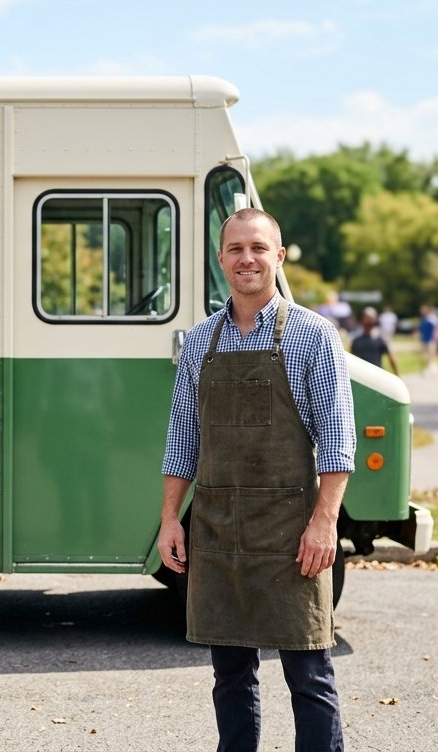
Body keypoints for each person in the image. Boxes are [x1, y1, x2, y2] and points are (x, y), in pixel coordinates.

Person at [158, 208, 354, 752]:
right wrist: (171, 519)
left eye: (259, 248)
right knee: (230, 677)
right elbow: (182, 441)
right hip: (218, 529)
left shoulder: (314, 335)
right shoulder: (199, 341)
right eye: (237, 249)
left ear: (279, 257)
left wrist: (323, 523)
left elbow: (338, 443)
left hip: (291, 531)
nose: (248, 258)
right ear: (221, 260)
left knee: (309, 675)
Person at [351, 306, 399, 374]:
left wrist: (397, 376)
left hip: (377, 377)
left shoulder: (381, 339)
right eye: (367, 317)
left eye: (371, 318)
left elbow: (391, 359)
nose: (370, 320)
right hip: (362, 376)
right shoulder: (356, 341)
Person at [418, 305, 438, 374]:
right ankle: (427, 369)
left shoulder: (429, 319)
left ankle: (429, 368)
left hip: (430, 339)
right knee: (428, 355)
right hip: (427, 340)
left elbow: (436, 330)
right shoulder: (426, 320)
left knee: (430, 355)